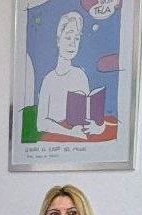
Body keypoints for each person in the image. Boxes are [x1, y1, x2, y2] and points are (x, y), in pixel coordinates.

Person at [36, 11, 106, 139]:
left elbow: (87, 115)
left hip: (79, 138)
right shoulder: (49, 80)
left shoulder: (80, 75)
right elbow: (41, 124)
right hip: (57, 139)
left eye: (77, 38)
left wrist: (98, 128)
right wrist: (69, 132)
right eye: (68, 37)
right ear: (58, 40)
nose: (72, 44)